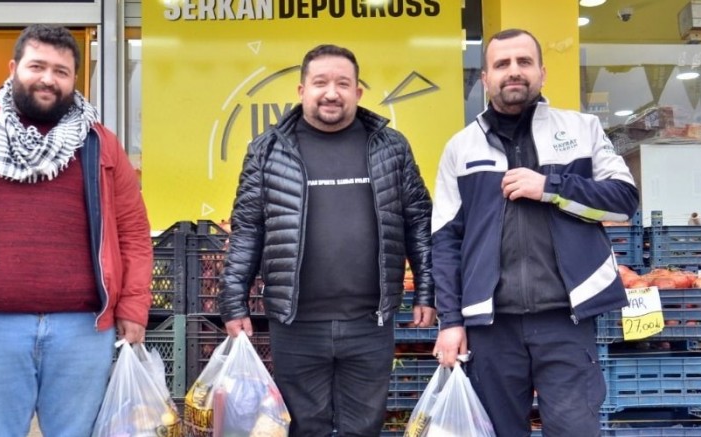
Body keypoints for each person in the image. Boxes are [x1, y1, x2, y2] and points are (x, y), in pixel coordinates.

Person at [0, 24, 153, 437]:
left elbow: (133, 231)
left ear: (74, 79)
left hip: (83, 330)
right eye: (37, 66)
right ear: (13, 68)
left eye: (61, 71)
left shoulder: (101, 144)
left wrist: (133, 306)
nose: (48, 79)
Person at [431, 29, 639, 436]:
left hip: (566, 320)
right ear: (485, 78)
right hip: (491, 327)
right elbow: (445, 241)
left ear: (542, 72)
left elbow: (623, 200)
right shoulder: (460, 147)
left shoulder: (582, 129)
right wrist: (450, 321)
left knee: (575, 431)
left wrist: (551, 187)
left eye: (524, 62)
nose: (514, 71)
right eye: (502, 64)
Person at [219, 44, 435, 436]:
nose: (331, 93)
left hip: (370, 322)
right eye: (320, 83)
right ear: (302, 90)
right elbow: (248, 228)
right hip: (295, 323)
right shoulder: (267, 151)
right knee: (304, 428)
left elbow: (418, 221)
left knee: (363, 429)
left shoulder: (391, 147)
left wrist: (426, 291)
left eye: (343, 84)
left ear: (358, 92)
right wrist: (234, 301)